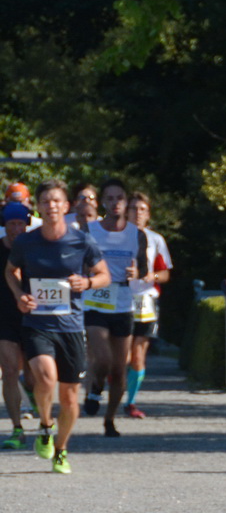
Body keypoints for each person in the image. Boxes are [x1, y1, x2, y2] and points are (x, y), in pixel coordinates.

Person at [4, 180, 112, 473]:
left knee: (68, 396)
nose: (51, 206)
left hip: (72, 326)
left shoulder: (81, 241)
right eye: (45, 201)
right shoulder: (27, 241)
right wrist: (19, 295)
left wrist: (88, 282)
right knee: (44, 376)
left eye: (56, 201)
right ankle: (44, 423)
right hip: (37, 323)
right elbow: (10, 270)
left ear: (66, 207)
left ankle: (61, 449)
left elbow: (104, 275)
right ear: (38, 208)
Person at [80, 179, 147, 436]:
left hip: (122, 301)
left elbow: (145, 268)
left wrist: (137, 271)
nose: (115, 203)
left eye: (120, 198)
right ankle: (96, 387)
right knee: (103, 359)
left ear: (126, 201)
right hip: (96, 300)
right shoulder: (90, 230)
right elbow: (78, 260)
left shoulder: (136, 234)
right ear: (102, 202)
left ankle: (109, 420)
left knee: (120, 370)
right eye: (110, 198)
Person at [122, 190, 172, 417]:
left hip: (147, 299)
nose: (138, 213)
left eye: (142, 209)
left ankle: (130, 402)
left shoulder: (156, 240)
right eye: (133, 208)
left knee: (139, 354)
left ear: (149, 214)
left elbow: (165, 274)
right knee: (123, 355)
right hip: (121, 298)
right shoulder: (116, 235)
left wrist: (151, 276)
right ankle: (113, 392)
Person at [1, 202, 32, 447]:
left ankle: (42, 414)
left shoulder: (36, 249)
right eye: (11, 223)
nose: (15, 228)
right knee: (10, 371)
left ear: (27, 224)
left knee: (34, 376)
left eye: (20, 223)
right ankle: (16, 428)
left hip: (33, 318)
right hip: (4, 318)